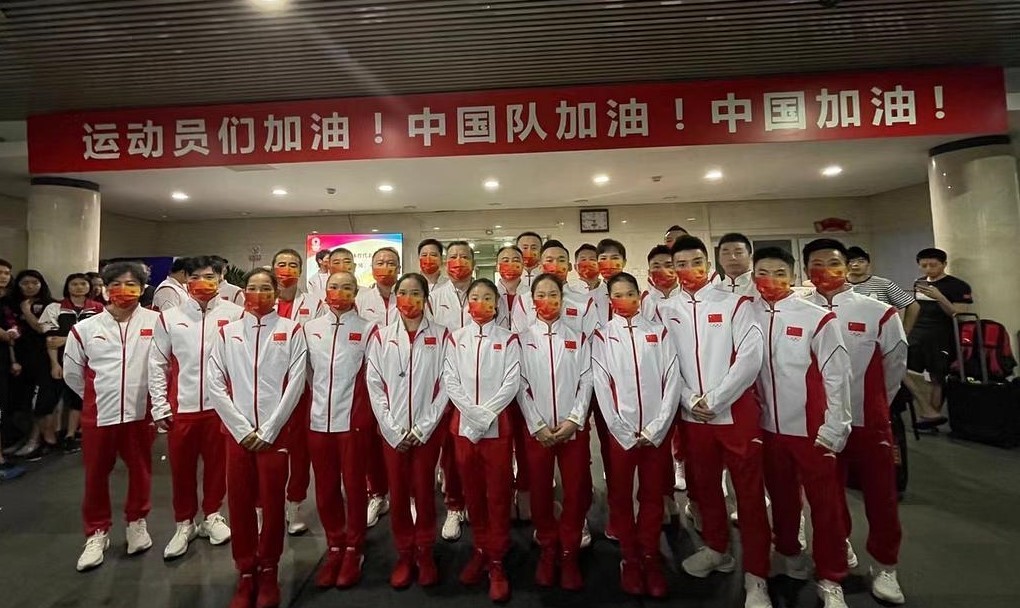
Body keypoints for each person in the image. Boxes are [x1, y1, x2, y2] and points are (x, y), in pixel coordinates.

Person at [662, 235, 771, 608]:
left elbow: (750, 355)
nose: (688, 270)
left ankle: (757, 576)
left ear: (708, 264)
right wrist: (690, 399)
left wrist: (718, 397)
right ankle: (716, 548)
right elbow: (666, 363)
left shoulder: (736, 303)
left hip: (735, 414)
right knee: (704, 488)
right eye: (680, 264)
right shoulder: (666, 309)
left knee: (750, 496)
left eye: (695, 262)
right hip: (692, 416)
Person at [804, 239, 908, 605]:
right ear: (806, 270)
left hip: (869, 421)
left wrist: (877, 404)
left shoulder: (879, 312)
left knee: (882, 497)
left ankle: (885, 566)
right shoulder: (799, 311)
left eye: (833, 263)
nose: (825, 271)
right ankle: (835, 559)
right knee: (826, 499)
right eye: (816, 264)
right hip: (821, 425)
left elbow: (895, 365)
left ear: (847, 266)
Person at [751, 247, 852, 608]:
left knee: (825, 507)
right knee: (781, 499)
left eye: (779, 272)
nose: (771, 280)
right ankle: (789, 554)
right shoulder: (747, 313)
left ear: (793, 275)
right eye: (763, 272)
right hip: (767, 427)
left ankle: (831, 576)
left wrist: (836, 424)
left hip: (812, 428)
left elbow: (837, 374)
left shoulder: (816, 317)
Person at [207, 267, 308, 608]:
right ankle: (246, 570)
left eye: (267, 288)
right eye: (253, 287)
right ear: (243, 291)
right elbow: (215, 382)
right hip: (237, 435)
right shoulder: (227, 332)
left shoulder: (291, 331)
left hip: (274, 435)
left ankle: (268, 570)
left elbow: (296, 383)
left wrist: (270, 429)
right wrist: (241, 429)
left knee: (273, 503)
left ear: (277, 293)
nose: (259, 293)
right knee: (239, 503)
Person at [62, 261, 160, 572]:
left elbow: (165, 366)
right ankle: (96, 532)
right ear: (104, 290)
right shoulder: (86, 329)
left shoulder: (158, 323)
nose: (123, 290)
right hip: (99, 415)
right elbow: (72, 373)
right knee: (95, 475)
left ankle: (137, 523)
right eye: (116, 284)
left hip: (140, 414)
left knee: (140, 470)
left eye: (131, 284)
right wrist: (98, 398)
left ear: (142, 289)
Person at [591, 272, 681, 599]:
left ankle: (651, 556)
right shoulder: (602, 337)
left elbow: (672, 379)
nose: (625, 299)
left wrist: (658, 427)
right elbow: (601, 385)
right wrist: (619, 428)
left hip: (656, 432)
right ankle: (629, 557)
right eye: (618, 294)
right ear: (610, 299)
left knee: (652, 496)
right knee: (620, 495)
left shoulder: (658, 332)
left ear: (640, 295)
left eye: (630, 292)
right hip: (621, 434)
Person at [149, 256, 243, 561]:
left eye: (209, 277)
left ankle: (212, 515)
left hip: (221, 408)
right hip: (183, 407)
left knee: (218, 468)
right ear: (186, 281)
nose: (203, 283)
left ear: (220, 279)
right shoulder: (169, 318)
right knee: (181, 470)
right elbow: (157, 362)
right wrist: (160, 405)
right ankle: (184, 523)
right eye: (195, 277)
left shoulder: (235, 314)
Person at [365, 273, 449, 590]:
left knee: (424, 491)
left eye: (416, 293)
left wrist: (425, 426)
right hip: (393, 432)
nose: (409, 299)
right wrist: (390, 427)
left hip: (427, 431)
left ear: (426, 299)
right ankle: (403, 553)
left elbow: (446, 384)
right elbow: (374, 383)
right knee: (398, 493)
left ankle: (425, 551)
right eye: (403, 292)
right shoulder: (381, 336)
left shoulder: (442, 336)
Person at [443, 278, 521, 603]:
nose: (480, 302)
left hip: (496, 427)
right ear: (466, 304)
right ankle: (480, 548)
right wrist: (472, 415)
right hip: (463, 428)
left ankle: (497, 558)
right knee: (473, 494)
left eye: (487, 297)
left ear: (497, 304)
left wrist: (485, 415)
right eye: (474, 297)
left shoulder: (508, 338)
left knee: (498, 494)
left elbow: (511, 381)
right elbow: (450, 379)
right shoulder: (455, 338)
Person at [517, 273, 593, 591]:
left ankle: (569, 551)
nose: (547, 300)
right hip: (537, 431)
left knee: (576, 489)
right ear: (532, 300)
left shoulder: (578, 337)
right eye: (541, 295)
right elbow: (520, 384)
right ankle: (548, 546)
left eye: (553, 294)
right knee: (540, 490)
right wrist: (536, 424)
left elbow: (586, 380)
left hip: (572, 429)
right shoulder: (521, 339)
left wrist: (575, 419)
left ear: (562, 299)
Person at [303, 270, 377, 589]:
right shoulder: (310, 328)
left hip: (353, 422)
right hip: (319, 421)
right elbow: (307, 373)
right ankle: (334, 544)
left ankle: (354, 548)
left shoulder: (368, 329)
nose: (339, 292)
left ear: (356, 292)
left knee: (355, 486)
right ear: (325, 289)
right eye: (334, 286)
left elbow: (373, 375)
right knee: (326, 487)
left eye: (347, 287)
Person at [271, 248, 324, 535]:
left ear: (301, 271)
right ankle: (266, 507)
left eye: (293, 265)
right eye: (281, 264)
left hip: (303, 389)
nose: (287, 269)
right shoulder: (260, 301)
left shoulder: (314, 304)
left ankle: (294, 505)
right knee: (270, 452)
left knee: (300, 453)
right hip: (267, 391)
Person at [428, 241, 475, 541]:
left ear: (473, 262)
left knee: (478, 450)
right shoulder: (434, 297)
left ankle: (476, 502)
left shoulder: (484, 294)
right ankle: (454, 506)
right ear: (446, 263)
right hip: (446, 384)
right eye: (453, 257)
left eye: (464, 256)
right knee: (451, 452)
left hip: (479, 385)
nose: (458, 261)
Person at [354, 247, 401, 529]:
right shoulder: (360, 298)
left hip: (402, 379)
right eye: (380, 262)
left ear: (399, 268)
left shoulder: (406, 295)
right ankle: (378, 494)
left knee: (399, 435)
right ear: (371, 268)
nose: (386, 267)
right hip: (366, 377)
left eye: (391, 263)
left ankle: (405, 495)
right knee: (371, 440)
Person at [906, 247, 972, 429]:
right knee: (900, 367)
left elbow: (960, 315)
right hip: (917, 333)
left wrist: (939, 297)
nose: (928, 269)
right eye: (924, 265)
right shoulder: (919, 283)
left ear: (944, 264)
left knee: (937, 376)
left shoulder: (958, 285)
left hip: (942, 335)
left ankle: (932, 417)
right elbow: (915, 309)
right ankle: (925, 408)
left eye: (933, 265)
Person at [39, 273, 105, 454]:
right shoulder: (55, 308)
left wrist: (66, 338)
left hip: (89, 361)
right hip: (59, 360)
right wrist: (55, 364)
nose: (79, 287)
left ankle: (70, 435)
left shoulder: (98, 308)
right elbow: (51, 340)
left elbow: (102, 337)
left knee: (79, 399)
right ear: (67, 287)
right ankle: (49, 438)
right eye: (74, 284)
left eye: (83, 283)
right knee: (48, 400)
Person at [494, 245, 534, 522]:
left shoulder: (533, 295)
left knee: (526, 439)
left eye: (515, 259)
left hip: (530, 373)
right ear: (497, 265)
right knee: (499, 442)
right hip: (496, 376)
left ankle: (525, 492)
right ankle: (503, 495)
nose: (510, 264)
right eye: (504, 259)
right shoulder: (486, 293)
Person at [3, 269, 59, 459]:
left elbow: (42, 329)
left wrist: (26, 311)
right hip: (17, 359)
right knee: (20, 403)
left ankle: (35, 440)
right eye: (25, 283)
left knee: (39, 403)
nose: (30, 286)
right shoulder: (10, 303)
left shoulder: (50, 305)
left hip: (42, 359)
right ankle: (23, 437)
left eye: (34, 283)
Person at [846, 246, 919, 334]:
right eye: (851, 261)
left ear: (868, 264)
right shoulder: (838, 285)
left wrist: (904, 331)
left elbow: (912, 305)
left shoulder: (884, 284)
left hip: (879, 334)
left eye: (861, 261)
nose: (855, 264)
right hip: (846, 333)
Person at [641, 244, 679, 322]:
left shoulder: (689, 297)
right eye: (657, 267)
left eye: (668, 265)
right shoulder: (644, 300)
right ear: (649, 273)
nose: (663, 271)